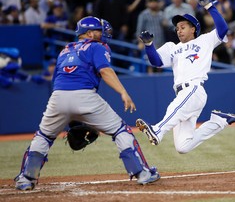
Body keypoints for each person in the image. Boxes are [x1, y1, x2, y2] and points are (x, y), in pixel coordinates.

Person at [14, 16, 160, 191]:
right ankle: (142, 173)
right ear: (89, 32)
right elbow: (105, 71)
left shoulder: (65, 50)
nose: (103, 33)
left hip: (58, 97)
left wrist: (67, 114)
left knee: (44, 136)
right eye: (99, 30)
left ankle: (25, 178)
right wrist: (123, 92)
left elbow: (56, 79)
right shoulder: (96, 46)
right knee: (120, 131)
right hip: (85, 96)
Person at [135, 0, 235, 154]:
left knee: (174, 107)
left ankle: (157, 130)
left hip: (193, 89)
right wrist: (149, 45)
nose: (179, 30)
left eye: (183, 27)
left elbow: (222, 29)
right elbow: (156, 62)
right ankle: (219, 121)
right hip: (183, 94)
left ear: (193, 29)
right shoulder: (172, 47)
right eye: (177, 28)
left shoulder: (204, 40)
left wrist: (209, 7)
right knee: (182, 146)